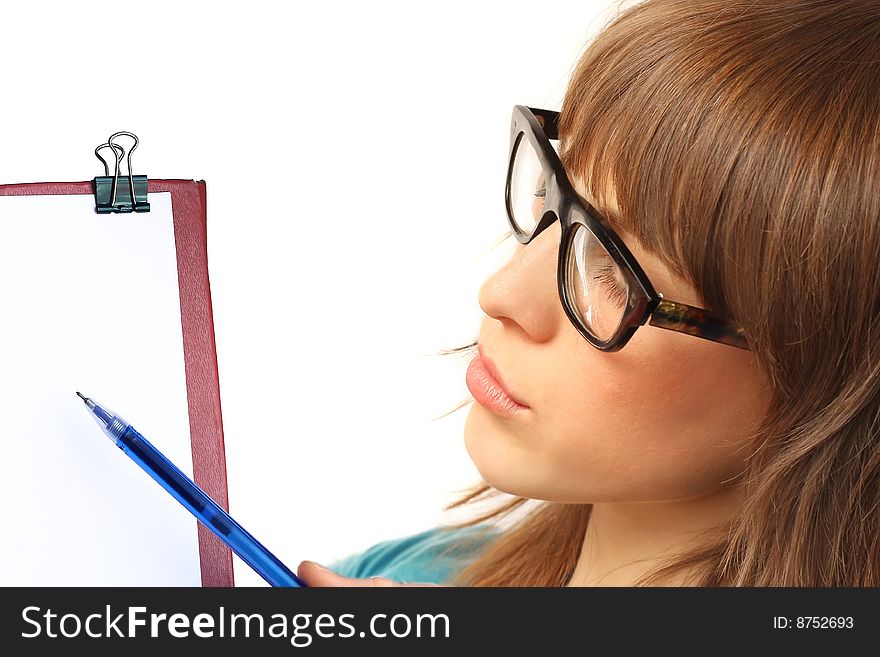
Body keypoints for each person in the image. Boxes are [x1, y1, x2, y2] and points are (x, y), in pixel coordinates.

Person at [297, 0, 880, 587]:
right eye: (556, 189)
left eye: (616, 268)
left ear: (831, 384)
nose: (500, 294)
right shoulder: (399, 576)